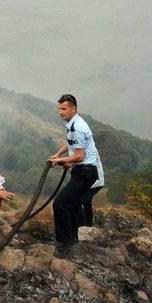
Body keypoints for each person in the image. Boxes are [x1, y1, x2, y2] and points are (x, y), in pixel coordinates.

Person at [49, 94, 101, 247]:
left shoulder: (77, 127)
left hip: (85, 171)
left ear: (73, 109)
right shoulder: (73, 124)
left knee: (60, 204)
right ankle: (72, 240)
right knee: (71, 204)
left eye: (64, 109)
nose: (60, 112)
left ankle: (64, 242)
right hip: (83, 171)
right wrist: (59, 154)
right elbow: (71, 144)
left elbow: (79, 155)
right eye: (59, 109)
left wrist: (60, 161)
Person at [80, 160, 104, 227]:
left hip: (94, 181)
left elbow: (80, 159)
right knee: (86, 202)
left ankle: (83, 225)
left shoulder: (86, 150)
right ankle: (87, 225)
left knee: (80, 202)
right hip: (91, 181)